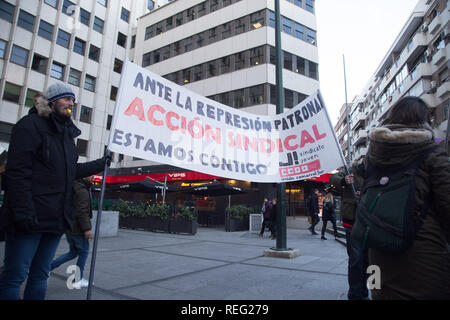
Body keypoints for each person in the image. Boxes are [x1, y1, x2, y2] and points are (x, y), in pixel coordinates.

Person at [0, 82, 110, 300]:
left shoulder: (66, 136)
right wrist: (23, 213)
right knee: (15, 276)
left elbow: (71, 171)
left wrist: (101, 163)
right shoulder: (29, 126)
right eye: (66, 99)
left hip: (54, 219)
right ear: (52, 101)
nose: (71, 103)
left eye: (72, 100)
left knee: (40, 275)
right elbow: (17, 174)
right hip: (27, 219)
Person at [362, 96, 450, 299]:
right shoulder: (434, 156)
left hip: (377, 255)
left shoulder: (372, 157)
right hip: (423, 258)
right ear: (424, 121)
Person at [330, 161, 368, 300]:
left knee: (369, 260)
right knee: (356, 259)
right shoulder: (351, 170)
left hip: (370, 221)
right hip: (352, 220)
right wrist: (344, 180)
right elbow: (332, 179)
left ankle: (365, 291)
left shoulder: (377, 173)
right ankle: (355, 293)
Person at [50, 176, 94, 289]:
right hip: (78, 229)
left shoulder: (73, 187)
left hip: (70, 227)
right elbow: (82, 212)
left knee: (73, 252)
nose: (93, 178)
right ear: (86, 177)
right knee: (83, 252)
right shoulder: (82, 191)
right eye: (91, 176)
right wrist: (87, 229)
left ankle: (47, 268)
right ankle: (77, 280)